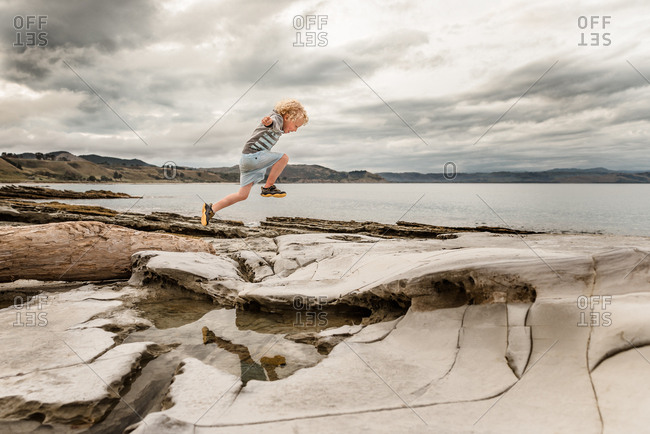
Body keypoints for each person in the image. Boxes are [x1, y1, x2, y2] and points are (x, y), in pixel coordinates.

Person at [201, 98, 308, 226]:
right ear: (287, 117)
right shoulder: (277, 119)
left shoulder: (279, 122)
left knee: (242, 195)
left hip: (248, 161)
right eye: (296, 126)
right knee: (284, 158)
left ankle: (211, 209)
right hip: (253, 156)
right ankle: (268, 187)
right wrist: (268, 122)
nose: (295, 130)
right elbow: (272, 122)